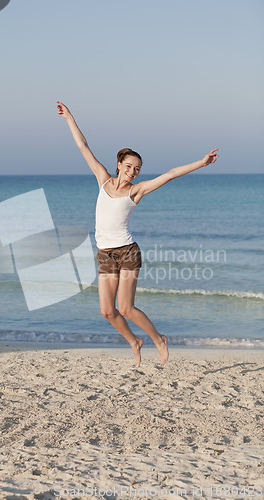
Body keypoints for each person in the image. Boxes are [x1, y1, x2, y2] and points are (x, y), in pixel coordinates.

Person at [56, 101, 218, 367]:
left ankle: (159, 338)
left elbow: (170, 174)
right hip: (105, 254)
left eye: (137, 169)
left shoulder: (136, 191)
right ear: (120, 164)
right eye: (129, 166)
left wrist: (200, 163)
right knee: (108, 311)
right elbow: (83, 147)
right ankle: (134, 341)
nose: (133, 172)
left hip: (127, 253)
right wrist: (69, 118)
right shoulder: (103, 179)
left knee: (127, 308)